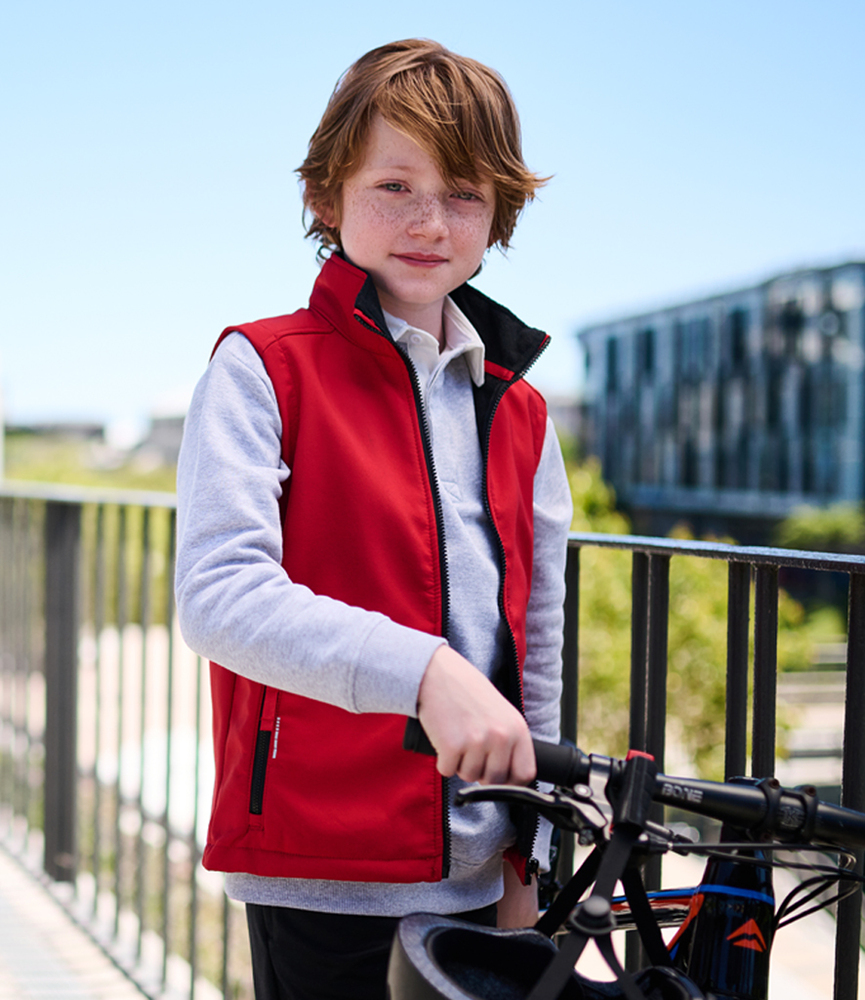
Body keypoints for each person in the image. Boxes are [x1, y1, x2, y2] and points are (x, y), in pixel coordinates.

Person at [175, 38, 573, 1000]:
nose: (429, 222)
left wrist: (530, 852)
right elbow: (219, 595)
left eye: (464, 193)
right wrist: (426, 672)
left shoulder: (520, 408)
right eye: (394, 187)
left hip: (478, 874)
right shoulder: (262, 368)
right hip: (320, 863)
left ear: (499, 211)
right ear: (326, 196)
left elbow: (537, 642)